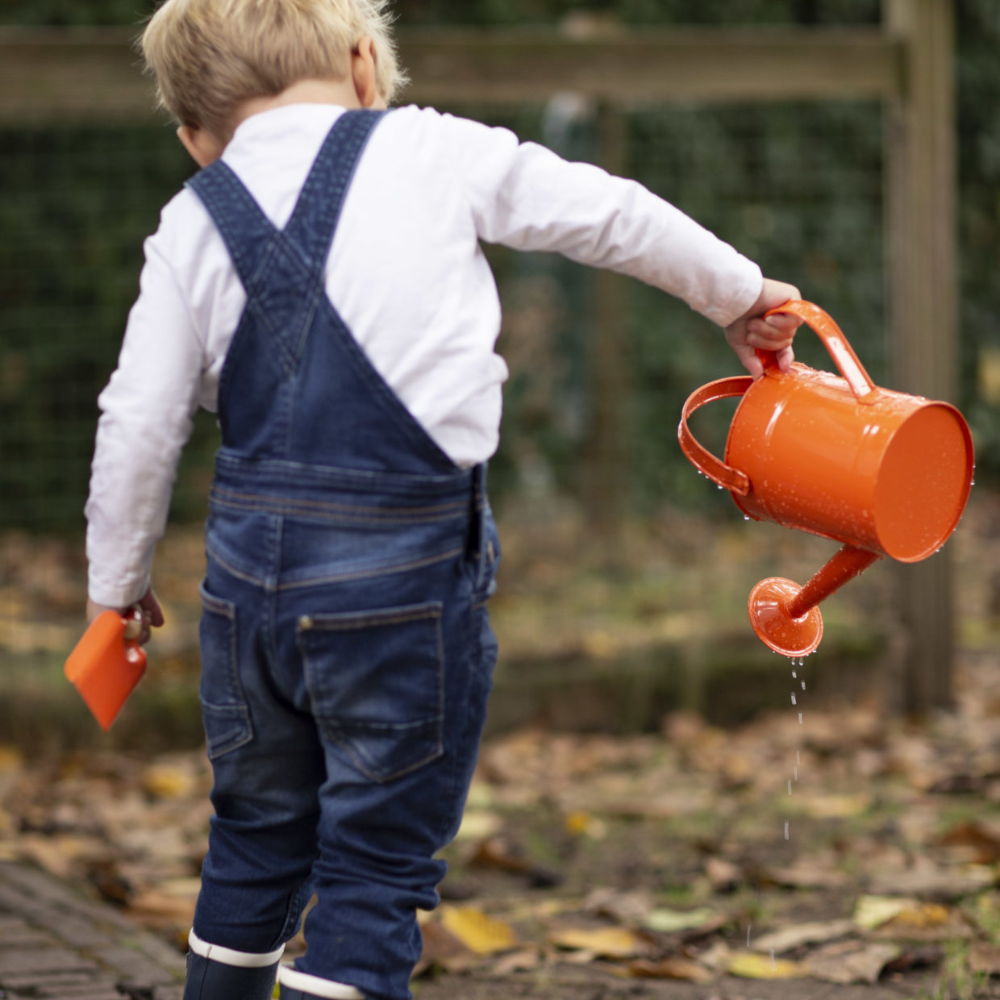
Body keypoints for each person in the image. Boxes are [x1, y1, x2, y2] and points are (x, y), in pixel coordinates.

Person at [83, 1, 802, 997]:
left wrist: (116, 585)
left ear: (195, 139)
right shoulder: (436, 151)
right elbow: (609, 213)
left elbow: (139, 418)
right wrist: (738, 294)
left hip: (248, 583)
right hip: (403, 576)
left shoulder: (191, 218)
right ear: (361, 68)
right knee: (374, 865)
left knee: (254, 833)